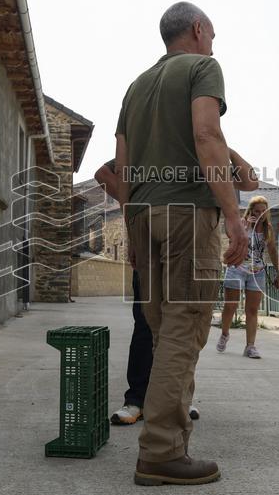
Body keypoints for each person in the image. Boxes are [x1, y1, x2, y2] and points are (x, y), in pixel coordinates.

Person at [114, 2, 248, 486]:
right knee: (183, 326)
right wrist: (234, 216)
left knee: (160, 325)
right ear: (197, 29)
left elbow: (122, 163)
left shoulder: (136, 86)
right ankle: (161, 452)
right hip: (188, 214)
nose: (213, 42)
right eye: (211, 33)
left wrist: (130, 227)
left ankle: (168, 439)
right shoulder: (203, 67)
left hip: (145, 215)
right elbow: (207, 133)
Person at [95, 151, 257, 425]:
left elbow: (250, 181)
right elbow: (104, 174)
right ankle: (136, 399)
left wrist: (224, 148)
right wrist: (133, 215)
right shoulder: (151, 142)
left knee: (186, 323)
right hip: (152, 239)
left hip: (194, 243)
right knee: (146, 322)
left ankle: (180, 397)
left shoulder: (209, 150)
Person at [216, 196, 279, 358]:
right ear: (250, 211)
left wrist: (278, 272)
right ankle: (225, 334)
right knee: (230, 306)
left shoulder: (268, 229)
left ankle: (250, 346)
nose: (260, 214)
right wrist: (246, 228)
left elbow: (272, 251)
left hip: (257, 272)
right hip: (237, 268)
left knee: (252, 310)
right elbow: (232, 242)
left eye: (263, 211)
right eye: (257, 211)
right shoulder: (242, 225)